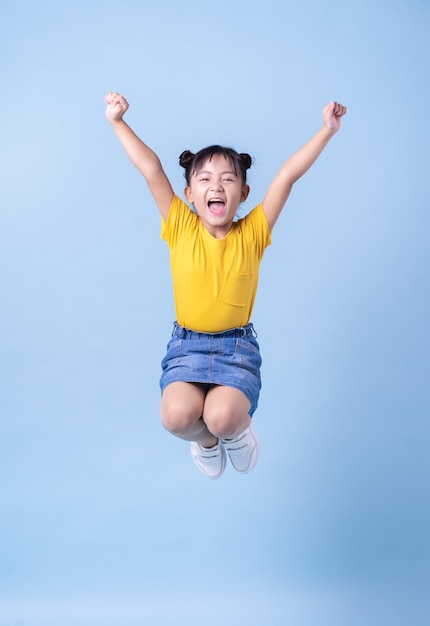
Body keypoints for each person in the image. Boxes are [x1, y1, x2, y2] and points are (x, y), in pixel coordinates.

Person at [104, 92, 347, 479]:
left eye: (227, 180)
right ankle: (207, 442)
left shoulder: (252, 232)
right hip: (187, 346)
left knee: (221, 417)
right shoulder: (181, 226)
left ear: (243, 194)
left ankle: (233, 433)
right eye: (204, 179)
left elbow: (286, 175)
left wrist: (327, 131)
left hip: (236, 349)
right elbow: (151, 169)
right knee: (176, 417)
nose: (216, 186)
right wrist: (118, 122)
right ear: (190, 195)